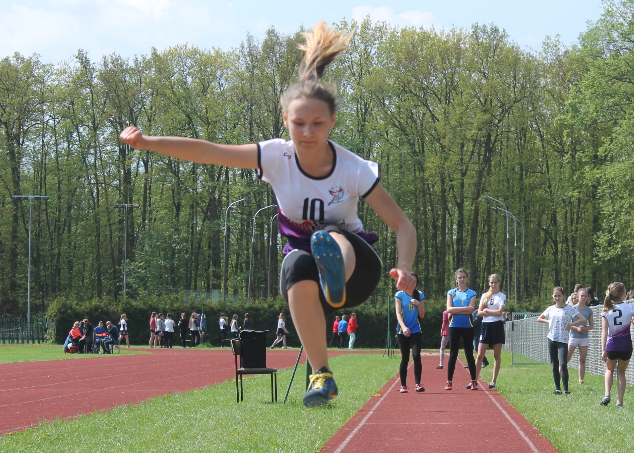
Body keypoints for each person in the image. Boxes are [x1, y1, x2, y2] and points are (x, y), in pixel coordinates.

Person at [119, 21, 416, 406]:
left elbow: (402, 224)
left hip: (357, 270)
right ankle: (322, 375)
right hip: (306, 276)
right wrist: (149, 142)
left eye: (318, 123)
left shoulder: (353, 168)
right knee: (293, 263)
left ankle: (334, 277)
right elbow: (211, 151)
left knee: (332, 234)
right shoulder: (276, 156)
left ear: (333, 122)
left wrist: (405, 267)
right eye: (298, 123)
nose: (307, 132)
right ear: (284, 119)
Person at [598, 282, 634, 407]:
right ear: (622, 294)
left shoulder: (606, 310)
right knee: (621, 372)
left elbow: (604, 331)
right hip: (626, 345)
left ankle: (607, 394)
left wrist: (603, 349)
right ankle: (619, 401)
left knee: (609, 369)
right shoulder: (630, 307)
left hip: (612, 345)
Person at [537, 286, 586, 395]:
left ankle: (566, 389)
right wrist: (548, 321)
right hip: (552, 338)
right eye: (555, 296)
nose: (557, 298)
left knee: (563, 364)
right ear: (553, 296)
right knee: (554, 364)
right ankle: (558, 388)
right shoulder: (551, 309)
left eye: (559, 295)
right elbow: (540, 318)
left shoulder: (569, 308)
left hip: (563, 339)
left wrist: (571, 324)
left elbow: (582, 319)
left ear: (564, 296)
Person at [444, 267, 478, 390]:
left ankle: (474, 381)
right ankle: (449, 382)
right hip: (454, 325)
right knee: (453, 353)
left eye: (464, 277)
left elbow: (471, 309)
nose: (462, 279)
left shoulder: (472, 293)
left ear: (467, 278)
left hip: (468, 326)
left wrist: (455, 310)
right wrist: (464, 309)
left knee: (469, 353)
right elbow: (449, 309)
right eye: (460, 277)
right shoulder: (451, 293)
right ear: (456, 279)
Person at [475, 273, 507, 389]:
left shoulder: (502, 296)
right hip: (486, 326)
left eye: (495, 282)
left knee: (496, 355)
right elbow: (479, 312)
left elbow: (500, 312)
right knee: (479, 355)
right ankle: (474, 380)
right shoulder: (485, 296)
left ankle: (493, 381)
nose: (493, 284)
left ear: (499, 283)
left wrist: (487, 310)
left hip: (497, 326)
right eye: (491, 282)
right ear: (489, 283)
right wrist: (490, 312)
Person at [394, 274, 425, 392]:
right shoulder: (400, 295)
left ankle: (418, 384)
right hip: (403, 330)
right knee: (405, 358)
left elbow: (422, 315)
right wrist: (404, 327)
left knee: (417, 356)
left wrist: (418, 304)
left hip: (416, 329)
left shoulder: (420, 295)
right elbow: (398, 313)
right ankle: (403, 385)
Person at [566, 287, 594, 385]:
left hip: (584, 337)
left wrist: (584, 328)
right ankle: (560, 375)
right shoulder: (572, 309)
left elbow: (591, 325)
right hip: (574, 336)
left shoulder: (589, 310)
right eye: (582, 296)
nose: (583, 297)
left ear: (588, 298)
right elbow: (568, 324)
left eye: (585, 296)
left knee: (582, 359)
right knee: (566, 358)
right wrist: (577, 328)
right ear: (577, 297)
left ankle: (581, 380)